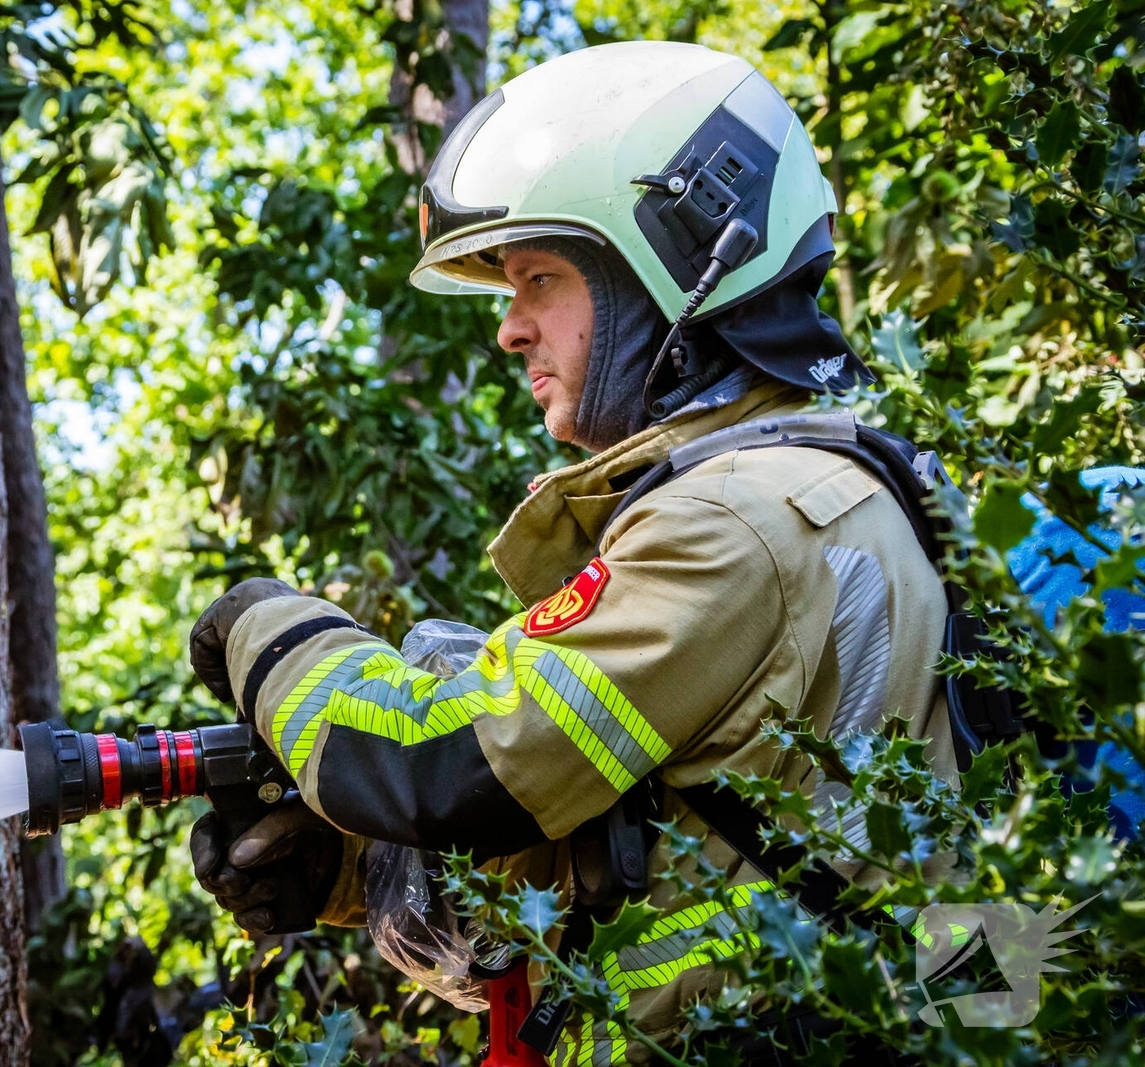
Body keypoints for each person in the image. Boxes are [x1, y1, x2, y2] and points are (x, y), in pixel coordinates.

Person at [188, 41, 958, 1066]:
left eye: (540, 278)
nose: (510, 330)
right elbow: (670, 851)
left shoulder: (737, 518)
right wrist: (352, 865)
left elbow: (444, 762)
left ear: (681, 265)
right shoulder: (816, 487)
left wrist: (271, 631)